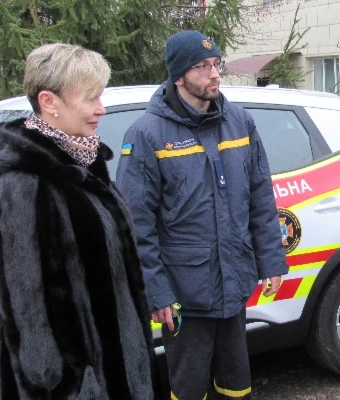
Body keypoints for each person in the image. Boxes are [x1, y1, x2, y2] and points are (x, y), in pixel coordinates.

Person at [115, 30, 287, 400]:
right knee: (189, 388)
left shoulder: (240, 122)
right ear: (178, 76)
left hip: (234, 281)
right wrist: (157, 292)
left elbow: (260, 196)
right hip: (184, 295)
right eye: (202, 67)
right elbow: (136, 224)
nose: (214, 74)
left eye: (216, 64)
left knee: (237, 383)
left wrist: (271, 260)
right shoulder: (146, 134)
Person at [0, 43, 158, 399]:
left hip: (120, 369)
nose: (102, 108)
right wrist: (64, 384)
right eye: (90, 97)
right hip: (79, 386)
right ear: (49, 101)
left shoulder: (84, 161)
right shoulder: (25, 183)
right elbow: (27, 310)